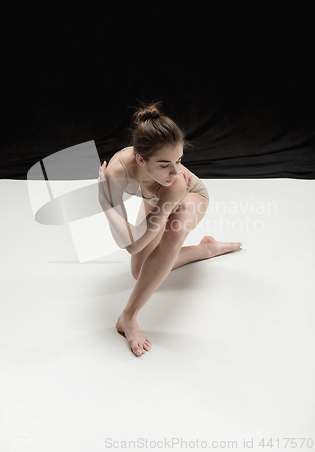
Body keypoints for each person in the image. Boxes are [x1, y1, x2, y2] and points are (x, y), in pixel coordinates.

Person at [98, 102, 242, 356]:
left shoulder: (177, 183)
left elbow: (133, 243)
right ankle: (205, 249)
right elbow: (124, 239)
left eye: (179, 160)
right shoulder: (115, 173)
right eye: (165, 164)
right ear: (141, 159)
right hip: (155, 198)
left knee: (172, 234)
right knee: (139, 271)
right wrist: (107, 204)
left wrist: (104, 203)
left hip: (190, 196)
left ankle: (128, 318)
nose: (175, 171)